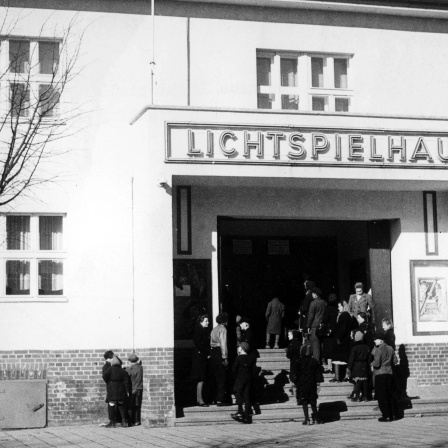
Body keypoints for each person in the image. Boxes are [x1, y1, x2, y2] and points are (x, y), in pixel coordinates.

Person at [293, 344, 324, 425]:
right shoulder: (314, 361)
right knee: (313, 401)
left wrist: (294, 383)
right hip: (312, 383)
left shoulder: (298, 362)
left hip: (302, 384)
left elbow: (295, 374)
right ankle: (316, 418)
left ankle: (307, 419)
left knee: (304, 401)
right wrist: (318, 383)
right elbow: (318, 373)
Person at [371, 333, 399, 422]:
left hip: (380, 374)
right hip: (390, 373)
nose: (374, 341)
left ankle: (386, 415)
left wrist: (371, 364)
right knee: (390, 394)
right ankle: (394, 414)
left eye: (376, 339)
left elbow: (376, 363)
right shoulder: (390, 348)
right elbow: (395, 360)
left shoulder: (379, 349)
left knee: (382, 396)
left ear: (381, 340)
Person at [230, 342, 257, 424]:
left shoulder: (239, 358)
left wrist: (235, 376)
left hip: (240, 378)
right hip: (249, 379)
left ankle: (240, 411)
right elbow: (254, 370)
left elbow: (234, 369)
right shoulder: (251, 358)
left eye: (239, 347)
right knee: (246, 395)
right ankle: (247, 414)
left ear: (241, 349)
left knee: (238, 393)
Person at [102, 355, 131, 428]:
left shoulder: (109, 369)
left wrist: (109, 382)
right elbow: (126, 382)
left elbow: (104, 376)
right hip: (121, 389)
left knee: (111, 405)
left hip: (111, 389)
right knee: (121, 405)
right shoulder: (123, 371)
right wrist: (127, 391)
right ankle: (124, 422)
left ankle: (112, 422)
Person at [331, 302, 353, 382]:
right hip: (345, 340)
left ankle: (337, 377)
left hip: (342, 340)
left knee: (338, 359)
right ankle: (344, 376)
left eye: (339, 306)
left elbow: (342, 328)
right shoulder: (348, 316)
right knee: (344, 359)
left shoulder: (344, 315)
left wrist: (339, 338)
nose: (338, 308)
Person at [210, 312, 229, 406]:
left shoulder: (214, 329)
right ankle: (221, 399)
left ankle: (214, 397)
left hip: (213, 352)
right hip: (219, 352)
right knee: (222, 377)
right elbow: (223, 343)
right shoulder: (223, 329)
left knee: (215, 376)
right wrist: (225, 357)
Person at [191, 314, 211, 407]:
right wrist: (208, 352)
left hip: (201, 356)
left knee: (201, 378)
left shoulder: (203, 330)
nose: (208, 322)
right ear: (201, 322)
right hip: (200, 357)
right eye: (206, 321)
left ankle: (199, 398)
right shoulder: (199, 331)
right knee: (201, 378)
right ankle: (200, 400)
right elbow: (199, 344)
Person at [347, 331, 371, 402]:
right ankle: (366, 397)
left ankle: (357, 397)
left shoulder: (354, 348)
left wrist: (349, 368)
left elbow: (351, 359)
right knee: (365, 382)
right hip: (365, 366)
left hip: (357, 366)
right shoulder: (367, 347)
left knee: (357, 382)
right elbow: (369, 358)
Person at [307, 287, 326, 363]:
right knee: (322, 344)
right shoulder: (324, 302)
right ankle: (323, 361)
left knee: (315, 345)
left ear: (315, 294)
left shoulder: (313, 303)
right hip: (323, 325)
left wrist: (308, 326)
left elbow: (311, 316)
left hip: (315, 325)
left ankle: (316, 362)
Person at [321, 293, 339, 373]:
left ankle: (329, 367)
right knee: (334, 349)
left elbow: (324, 320)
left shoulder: (327, 308)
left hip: (328, 331)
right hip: (335, 330)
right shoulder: (337, 309)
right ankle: (335, 367)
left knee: (328, 350)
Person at [127, 353, 143, 426]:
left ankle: (131, 421)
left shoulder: (130, 369)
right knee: (137, 405)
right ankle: (137, 420)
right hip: (139, 388)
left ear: (130, 361)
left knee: (131, 405)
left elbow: (128, 376)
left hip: (132, 388)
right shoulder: (140, 367)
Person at [286, 329, 302, 401]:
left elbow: (288, 355)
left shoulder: (291, 344)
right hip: (300, 363)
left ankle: (296, 395)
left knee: (293, 378)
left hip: (293, 363)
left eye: (289, 334)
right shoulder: (300, 344)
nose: (288, 336)